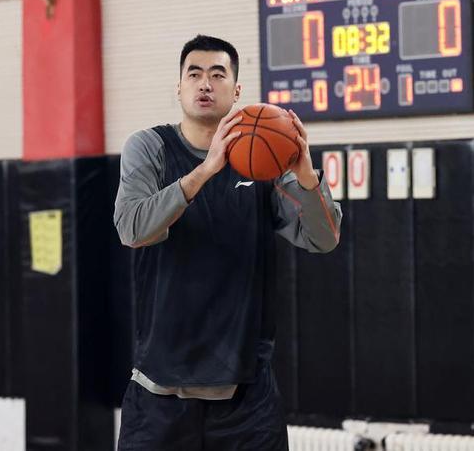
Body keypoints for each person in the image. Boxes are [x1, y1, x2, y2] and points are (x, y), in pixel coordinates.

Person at [114, 34, 342, 451]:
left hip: (247, 397)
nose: (205, 83)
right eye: (194, 74)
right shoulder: (149, 147)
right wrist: (205, 171)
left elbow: (323, 238)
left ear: (236, 91)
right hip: (159, 391)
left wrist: (308, 177)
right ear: (178, 87)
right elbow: (132, 229)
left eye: (217, 74)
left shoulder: (265, 156)